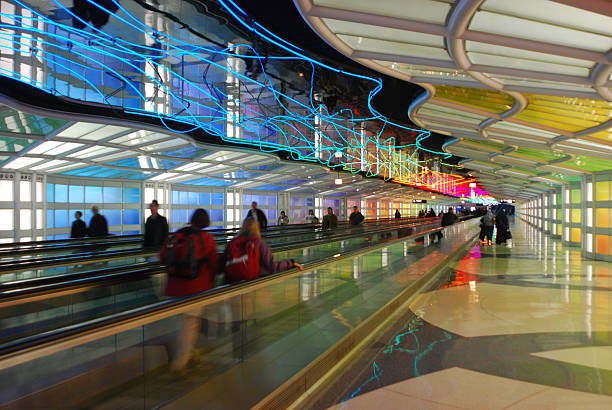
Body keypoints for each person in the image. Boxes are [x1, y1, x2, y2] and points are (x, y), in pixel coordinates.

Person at [160, 209, 218, 374]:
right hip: (196, 288)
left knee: (186, 323)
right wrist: (211, 282)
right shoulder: (206, 238)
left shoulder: (177, 235)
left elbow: (162, 256)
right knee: (190, 323)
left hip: (174, 286)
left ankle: (191, 353)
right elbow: (213, 263)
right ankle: (179, 364)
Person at [223, 217, 303, 282]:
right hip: (254, 285)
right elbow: (272, 266)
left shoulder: (232, 243)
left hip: (232, 287)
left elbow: (221, 265)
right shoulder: (259, 243)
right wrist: (290, 263)